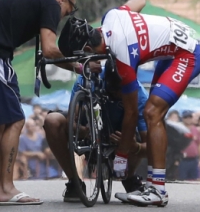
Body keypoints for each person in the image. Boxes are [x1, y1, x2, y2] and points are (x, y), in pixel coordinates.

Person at [63, 0, 200, 206]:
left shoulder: (123, 57)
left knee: (151, 113)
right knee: (155, 113)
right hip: (173, 47)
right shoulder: (111, 16)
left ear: (90, 51)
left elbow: (130, 112)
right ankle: (153, 184)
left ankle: (158, 191)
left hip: (187, 54)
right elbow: (139, 0)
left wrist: (122, 154)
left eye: (84, 57)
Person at [0, 0, 79, 205]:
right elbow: (49, 49)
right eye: (69, 11)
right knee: (15, 119)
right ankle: (7, 187)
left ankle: (0, 190)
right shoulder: (50, 4)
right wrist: (78, 66)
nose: (63, 17)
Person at [44, 60, 149, 202]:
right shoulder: (88, 78)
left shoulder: (140, 96)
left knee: (134, 138)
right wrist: (81, 130)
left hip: (121, 133)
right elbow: (71, 121)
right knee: (52, 121)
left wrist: (134, 147)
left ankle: (129, 178)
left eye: (122, 92)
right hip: (88, 125)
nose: (117, 95)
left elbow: (150, 147)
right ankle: (74, 183)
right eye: (113, 90)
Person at [178, 110, 200, 181]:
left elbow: (199, 144)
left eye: (190, 117)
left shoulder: (195, 129)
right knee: (182, 179)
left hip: (194, 159)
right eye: (186, 117)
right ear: (182, 118)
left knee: (194, 179)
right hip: (182, 159)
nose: (188, 119)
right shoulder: (179, 129)